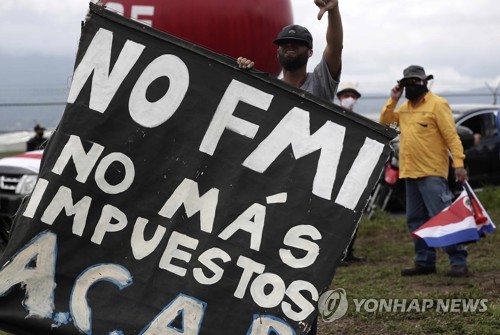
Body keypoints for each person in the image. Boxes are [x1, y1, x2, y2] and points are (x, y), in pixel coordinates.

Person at [238, 1, 343, 334]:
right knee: (260, 267)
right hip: (269, 197)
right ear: (277, 53)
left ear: (309, 53)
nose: (288, 47)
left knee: (301, 272)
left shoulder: (321, 85)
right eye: (283, 44)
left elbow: (336, 46)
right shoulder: (267, 87)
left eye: (295, 44)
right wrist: (240, 73)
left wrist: (334, 11)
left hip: (309, 201)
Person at [379, 65, 469, 278]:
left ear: (424, 83)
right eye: (406, 83)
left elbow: (452, 137)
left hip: (432, 172)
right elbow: (385, 123)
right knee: (415, 219)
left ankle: (458, 260)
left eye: (415, 82)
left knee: (442, 216)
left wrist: (459, 164)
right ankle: (425, 261)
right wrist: (393, 99)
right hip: (409, 172)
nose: (411, 86)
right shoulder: (404, 109)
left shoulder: (438, 105)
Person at [335, 82, 365, 265]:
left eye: (352, 95)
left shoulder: (361, 121)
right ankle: (337, 253)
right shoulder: (333, 116)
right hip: (336, 174)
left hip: (354, 174)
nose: (349, 98)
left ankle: (349, 250)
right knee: (337, 215)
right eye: (346, 95)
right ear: (339, 97)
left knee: (354, 214)